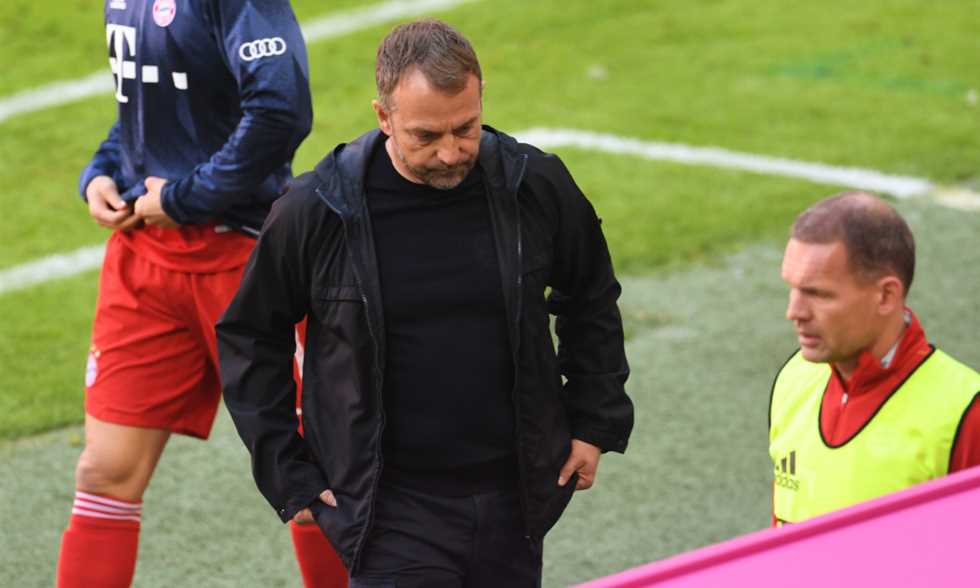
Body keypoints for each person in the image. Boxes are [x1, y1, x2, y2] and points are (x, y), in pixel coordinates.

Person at [217, 18, 635, 586]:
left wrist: (593, 419)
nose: (450, 153)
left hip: (514, 499)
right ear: (383, 116)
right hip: (389, 508)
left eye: (466, 128)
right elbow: (250, 335)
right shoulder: (316, 209)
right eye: (426, 136)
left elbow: (589, 295)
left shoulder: (534, 184)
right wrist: (285, 469)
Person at [56, 1, 347, 586]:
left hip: (248, 264)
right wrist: (104, 170)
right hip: (145, 263)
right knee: (105, 474)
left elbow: (280, 109)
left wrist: (186, 197)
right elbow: (151, 105)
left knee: (313, 484)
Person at [770, 191, 980, 525]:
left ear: (885, 295)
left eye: (817, 294)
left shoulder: (967, 414)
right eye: (792, 288)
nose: (794, 312)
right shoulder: (794, 378)